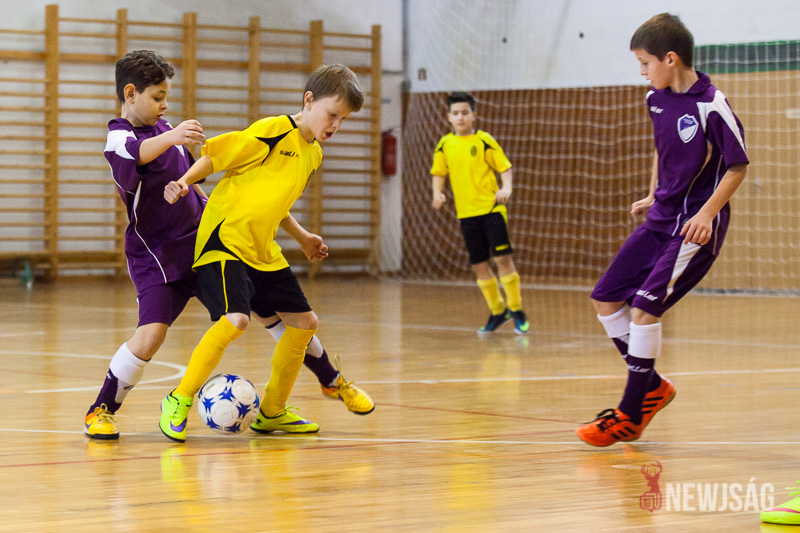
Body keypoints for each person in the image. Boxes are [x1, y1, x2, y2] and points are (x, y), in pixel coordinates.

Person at [84, 53, 372, 441]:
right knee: (151, 336)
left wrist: (200, 192)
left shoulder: (167, 130)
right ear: (131, 94)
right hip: (159, 255)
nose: (165, 105)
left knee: (281, 318)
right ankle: (101, 409)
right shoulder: (120, 137)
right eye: (157, 97)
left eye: (167, 97)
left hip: (206, 242)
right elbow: (137, 153)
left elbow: (212, 186)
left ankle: (327, 382)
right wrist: (173, 136)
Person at [576, 13, 748, 447]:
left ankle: (630, 414)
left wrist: (706, 214)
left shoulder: (712, 104)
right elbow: (663, 149)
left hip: (693, 228)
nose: (641, 71)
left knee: (644, 310)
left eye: (644, 62)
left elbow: (737, 167)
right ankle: (652, 386)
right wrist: (655, 192)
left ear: (670, 59)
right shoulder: (656, 98)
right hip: (661, 218)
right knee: (605, 298)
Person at [430, 92, 529, 335]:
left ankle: (516, 309)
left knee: (502, 259)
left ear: (474, 114)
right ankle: (498, 311)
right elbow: (438, 173)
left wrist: (506, 188)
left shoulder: (484, 140)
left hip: (491, 209)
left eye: (465, 112)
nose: (460, 117)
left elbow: (504, 167)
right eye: (455, 113)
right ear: (448, 117)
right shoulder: (445, 144)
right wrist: (437, 194)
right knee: (479, 265)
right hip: (466, 215)